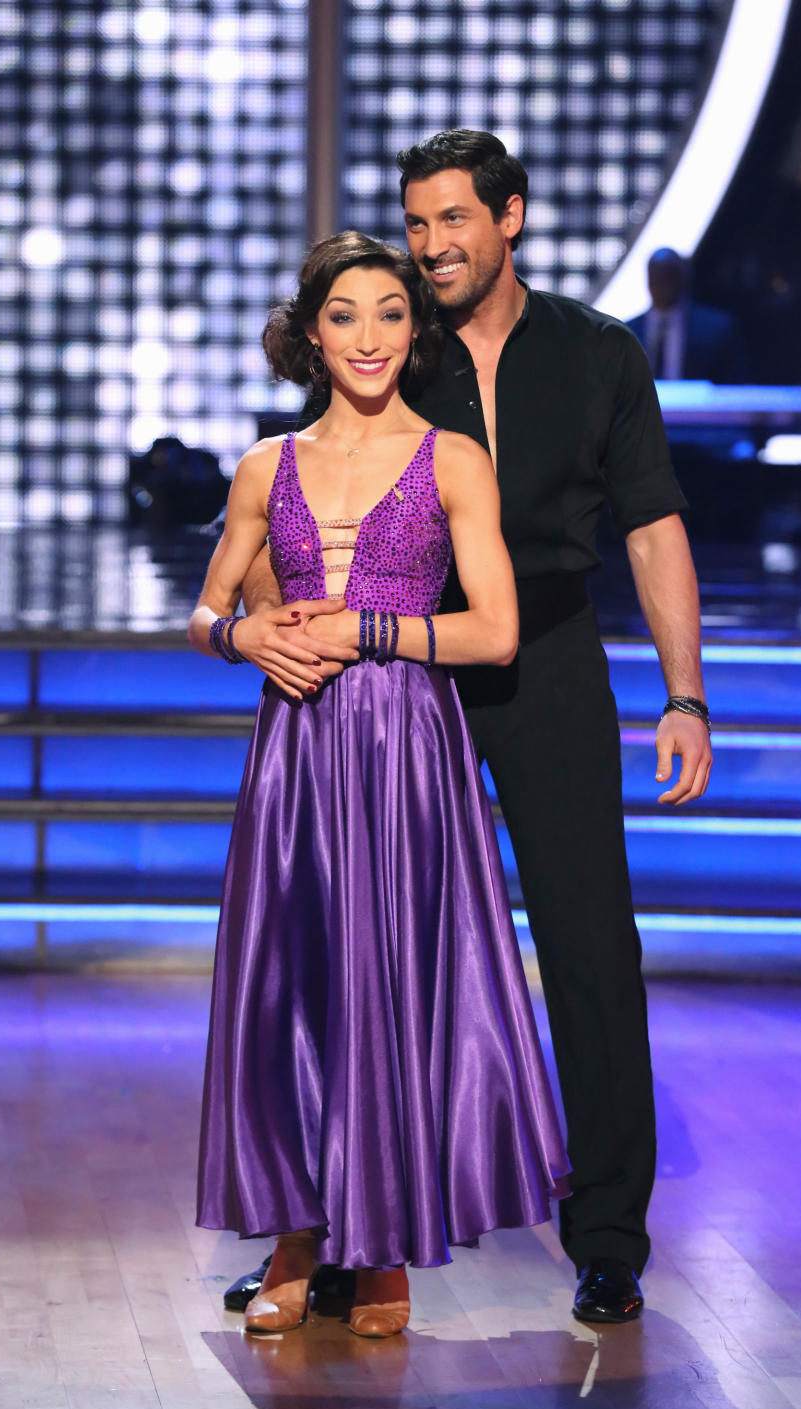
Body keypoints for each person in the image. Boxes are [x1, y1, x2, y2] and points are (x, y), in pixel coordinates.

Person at [227, 131, 713, 1325]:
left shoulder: (600, 357)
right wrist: (259, 627)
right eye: (418, 223)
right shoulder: (393, 346)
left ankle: (606, 1235)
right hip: (392, 690)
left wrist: (685, 693)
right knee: (361, 954)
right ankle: (341, 1231)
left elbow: (652, 529)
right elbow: (296, 508)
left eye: (453, 221)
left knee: (592, 946)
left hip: (542, 660)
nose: (432, 245)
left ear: (513, 219)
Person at [191, 230, 570, 1339]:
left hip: (408, 751)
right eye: (347, 315)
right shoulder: (267, 464)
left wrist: (367, 628)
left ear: (417, 331)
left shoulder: (454, 457)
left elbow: (495, 631)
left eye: (392, 314)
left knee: (393, 981)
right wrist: (245, 637)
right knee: (295, 984)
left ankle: (387, 1242)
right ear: (314, 332)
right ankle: (299, 1237)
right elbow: (208, 610)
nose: (370, 336)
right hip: (299, 755)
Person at [627, 247, 747, 383]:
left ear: (682, 279)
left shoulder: (718, 330)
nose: (662, 287)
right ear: (648, 281)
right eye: (657, 279)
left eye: (668, 278)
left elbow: (736, 387)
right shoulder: (627, 333)